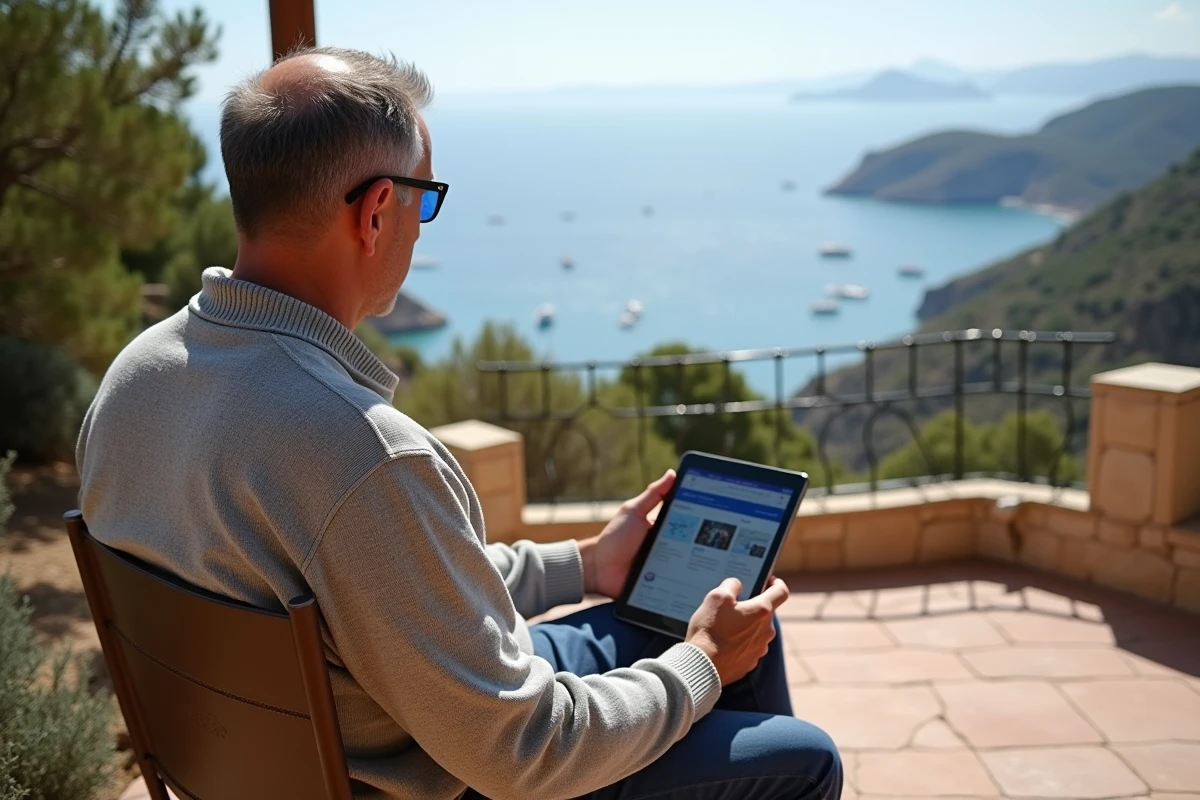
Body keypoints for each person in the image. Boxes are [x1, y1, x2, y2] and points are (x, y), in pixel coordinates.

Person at [75, 46, 841, 800]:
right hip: (453, 771)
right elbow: (527, 754)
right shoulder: (363, 453)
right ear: (377, 211)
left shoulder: (135, 379)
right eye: (425, 198)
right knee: (798, 753)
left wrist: (584, 565)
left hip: (304, 753)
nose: (421, 225)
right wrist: (702, 661)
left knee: (724, 625)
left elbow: (394, 584)